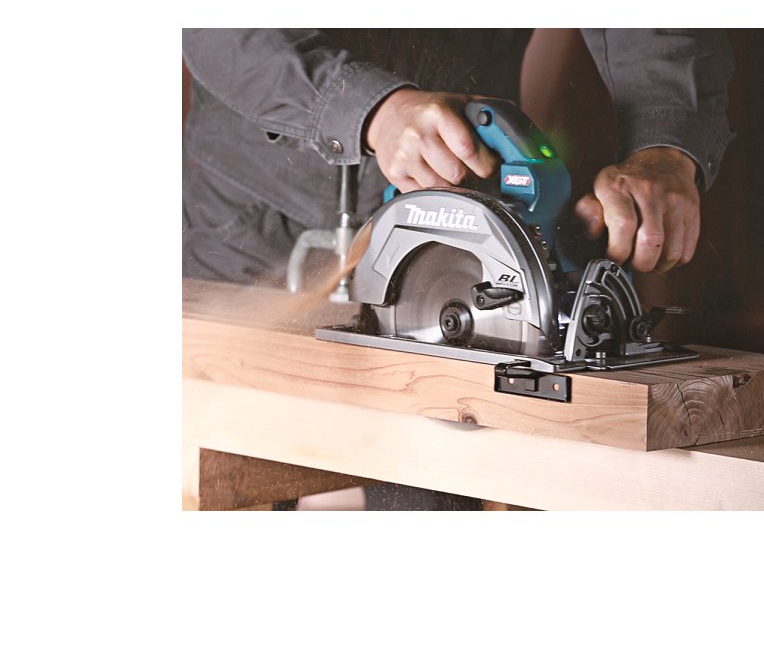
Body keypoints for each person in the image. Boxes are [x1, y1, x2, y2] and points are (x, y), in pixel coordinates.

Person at [182, 28, 735, 509]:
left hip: (464, 189)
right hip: (250, 211)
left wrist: (667, 144)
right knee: (219, 466)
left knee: (433, 493)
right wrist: (371, 108)